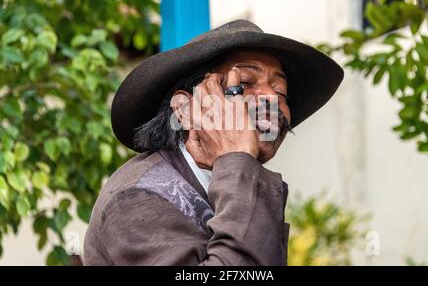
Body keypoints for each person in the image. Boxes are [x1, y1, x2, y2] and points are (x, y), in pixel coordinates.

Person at [83, 19, 344, 265]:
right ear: (185, 110)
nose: (270, 97)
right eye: (243, 83)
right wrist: (238, 158)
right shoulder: (137, 198)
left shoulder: (224, 178)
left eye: (280, 90)